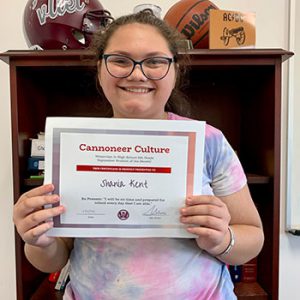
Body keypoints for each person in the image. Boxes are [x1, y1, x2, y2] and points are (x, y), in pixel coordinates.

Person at [13, 11, 264, 300]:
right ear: (99, 68)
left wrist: (222, 239)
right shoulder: (75, 146)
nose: (136, 73)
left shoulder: (209, 142)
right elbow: (55, 259)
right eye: (120, 60)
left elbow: (253, 237)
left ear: (175, 70)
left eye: (155, 61)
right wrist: (39, 241)